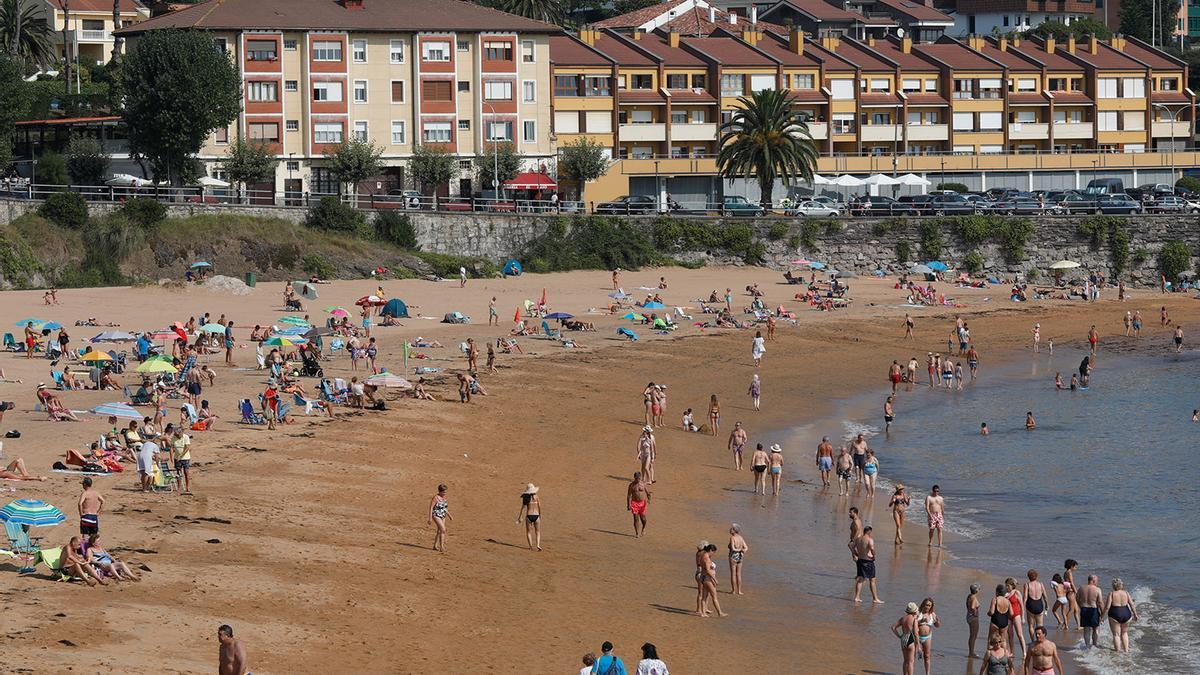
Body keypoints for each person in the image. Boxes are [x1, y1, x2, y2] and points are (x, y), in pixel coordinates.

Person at [1104, 577, 1137, 653]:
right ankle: (1126, 651)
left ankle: (1117, 652)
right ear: (1121, 585)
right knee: (1124, 633)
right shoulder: (1126, 593)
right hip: (1126, 613)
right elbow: (1132, 604)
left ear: (1113, 586)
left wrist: (1102, 616)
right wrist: (1135, 614)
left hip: (1115, 613)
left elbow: (1107, 607)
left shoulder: (1111, 594)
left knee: (1116, 635)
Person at [850, 526, 882, 604]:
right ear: (869, 532)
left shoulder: (858, 539)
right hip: (868, 561)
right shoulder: (869, 540)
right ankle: (875, 598)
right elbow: (872, 549)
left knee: (860, 579)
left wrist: (855, 553)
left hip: (860, 560)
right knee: (872, 580)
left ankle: (857, 597)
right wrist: (874, 556)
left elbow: (851, 546)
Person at [892, 602, 919, 675]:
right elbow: (916, 633)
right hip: (910, 638)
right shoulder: (914, 619)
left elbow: (893, 627)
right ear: (914, 611)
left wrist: (899, 636)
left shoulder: (903, 618)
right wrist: (918, 645)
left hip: (903, 638)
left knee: (905, 661)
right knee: (911, 662)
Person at [915, 597, 940, 675]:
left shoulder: (932, 614)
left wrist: (938, 621)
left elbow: (937, 626)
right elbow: (912, 624)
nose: (927, 607)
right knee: (913, 656)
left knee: (927, 656)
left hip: (927, 637)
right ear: (923, 604)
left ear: (931, 606)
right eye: (926, 605)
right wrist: (921, 621)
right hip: (917, 636)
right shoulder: (918, 613)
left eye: (929, 605)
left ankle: (927, 673)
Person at [1078, 573, 1104, 648]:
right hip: (1093, 610)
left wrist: (1081, 606)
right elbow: (1100, 602)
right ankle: (1095, 644)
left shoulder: (1081, 588)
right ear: (1093, 580)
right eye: (1096, 581)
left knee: (1086, 629)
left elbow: (1077, 598)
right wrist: (1102, 613)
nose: (1097, 583)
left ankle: (1087, 646)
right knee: (1095, 628)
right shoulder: (1097, 589)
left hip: (1084, 609)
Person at [1004, 577, 1027, 658]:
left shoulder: (1017, 592)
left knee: (1020, 634)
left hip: (1016, 615)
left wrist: (1023, 617)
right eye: (1006, 586)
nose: (1006, 587)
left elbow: (1021, 605)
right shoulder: (1005, 593)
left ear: (1012, 585)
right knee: (1010, 635)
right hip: (1008, 616)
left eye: (1008, 585)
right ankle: (1012, 652)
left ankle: (1024, 652)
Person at [515, 483, 542, 551]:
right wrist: (540, 515)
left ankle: (530, 546)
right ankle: (538, 545)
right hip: (536, 515)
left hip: (529, 516)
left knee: (528, 532)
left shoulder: (526, 498)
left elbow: (522, 508)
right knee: (537, 532)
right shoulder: (536, 497)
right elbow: (539, 507)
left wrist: (519, 517)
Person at [1023, 569, 1047, 642]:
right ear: (1036, 576)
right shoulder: (1041, 584)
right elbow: (1045, 596)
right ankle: (1040, 640)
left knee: (1031, 625)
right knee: (1040, 625)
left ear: (1028, 577)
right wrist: (1047, 605)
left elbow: (1025, 597)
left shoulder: (1027, 584)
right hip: (1039, 605)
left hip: (1031, 605)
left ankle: (1033, 641)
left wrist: (1023, 608)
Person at [986, 585, 1012, 651]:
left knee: (991, 639)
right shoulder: (1008, 601)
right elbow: (1012, 613)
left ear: (997, 592)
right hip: (1004, 622)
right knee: (1003, 640)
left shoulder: (995, 599)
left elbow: (991, 612)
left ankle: (990, 655)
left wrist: (988, 613)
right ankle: (1003, 656)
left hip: (995, 621)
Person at [428, 484, 451, 553]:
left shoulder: (444, 498)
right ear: (440, 491)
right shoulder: (435, 498)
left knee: (439, 531)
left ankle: (435, 546)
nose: (445, 493)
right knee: (443, 530)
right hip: (436, 515)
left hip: (443, 515)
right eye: (444, 492)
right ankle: (442, 547)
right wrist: (430, 518)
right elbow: (431, 508)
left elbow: (444, 508)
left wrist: (449, 515)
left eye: (445, 492)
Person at [627, 472, 650, 538]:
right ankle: (637, 533)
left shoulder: (643, 484)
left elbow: (647, 493)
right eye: (637, 478)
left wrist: (649, 498)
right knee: (636, 518)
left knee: (643, 518)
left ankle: (643, 528)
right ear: (634, 478)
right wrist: (628, 505)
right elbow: (629, 495)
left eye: (639, 478)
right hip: (634, 503)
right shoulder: (631, 485)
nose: (638, 480)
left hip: (642, 503)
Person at [171, 426, 193, 494]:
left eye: (178, 434)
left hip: (185, 458)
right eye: (176, 434)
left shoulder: (185, 437)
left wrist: (181, 456)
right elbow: (172, 447)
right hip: (177, 458)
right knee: (178, 473)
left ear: (181, 433)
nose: (176, 435)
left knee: (186, 472)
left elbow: (187, 448)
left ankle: (187, 487)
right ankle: (179, 487)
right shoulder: (174, 438)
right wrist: (171, 456)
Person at [727, 524, 747, 596]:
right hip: (740, 556)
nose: (730, 529)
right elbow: (746, 547)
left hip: (733, 555)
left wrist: (738, 549)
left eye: (731, 528)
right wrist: (742, 550)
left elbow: (733, 548)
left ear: (734, 530)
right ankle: (739, 591)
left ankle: (733, 590)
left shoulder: (732, 538)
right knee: (738, 574)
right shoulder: (741, 537)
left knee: (733, 574)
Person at [966, 583, 982, 659]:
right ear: (976, 590)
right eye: (979, 589)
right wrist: (975, 613)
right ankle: (971, 653)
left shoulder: (969, 596)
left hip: (969, 616)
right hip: (973, 618)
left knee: (972, 635)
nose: (979, 590)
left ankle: (971, 652)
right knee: (973, 636)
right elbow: (972, 607)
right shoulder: (974, 598)